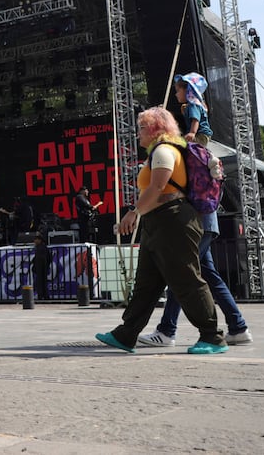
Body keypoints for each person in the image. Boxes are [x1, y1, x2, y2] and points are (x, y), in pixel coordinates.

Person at [96, 106, 228, 355]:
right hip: (159, 222)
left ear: (156, 128)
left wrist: (135, 212)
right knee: (146, 283)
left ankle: (213, 336)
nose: (138, 133)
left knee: (187, 279)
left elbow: (158, 187)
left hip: (173, 220)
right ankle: (127, 334)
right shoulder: (161, 151)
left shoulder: (165, 150)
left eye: (142, 128)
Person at [174, 72, 219, 237]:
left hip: (200, 135)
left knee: (187, 150)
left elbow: (195, 120)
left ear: (186, 91)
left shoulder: (193, 104)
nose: (175, 94)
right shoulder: (193, 104)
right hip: (203, 135)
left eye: (178, 90)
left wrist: (192, 133)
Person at [31, 235, 52, 300]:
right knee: (42, 282)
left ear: (39, 240)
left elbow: (41, 258)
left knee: (41, 282)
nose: (34, 241)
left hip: (41, 268)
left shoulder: (41, 248)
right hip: (42, 267)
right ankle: (44, 295)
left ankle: (42, 295)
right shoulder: (42, 247)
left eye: (36, 239)